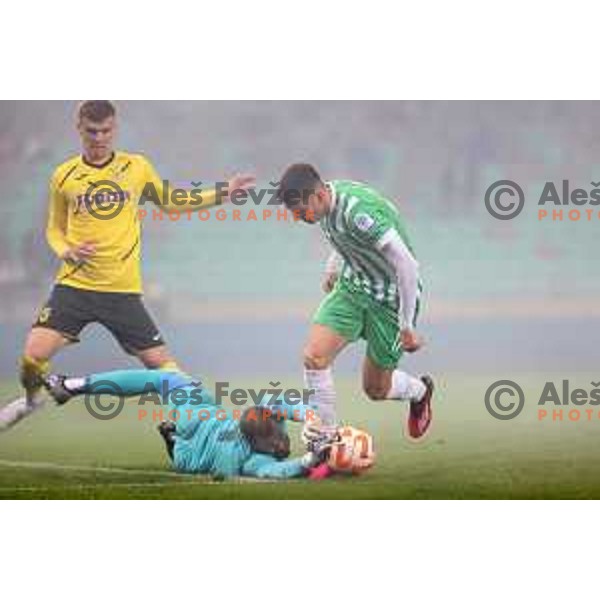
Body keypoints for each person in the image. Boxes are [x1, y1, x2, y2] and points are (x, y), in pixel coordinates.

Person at [18, 100, 255, 416]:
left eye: (106, 130)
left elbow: (171, 202)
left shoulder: (136, 167)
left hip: (121, 291)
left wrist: (222, 192)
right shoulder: (64, 175)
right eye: (92, 131)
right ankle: (32, 400)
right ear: (79, 128)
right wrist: (66, 251)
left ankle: (208, 421)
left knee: (165, 368)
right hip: (74, 286)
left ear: (114, 128)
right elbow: (54, 229)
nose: (99, 138)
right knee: (32, 359)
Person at [276, 163, 434, 445]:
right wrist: (332, 268)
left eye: (300, 211)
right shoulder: (324, 206)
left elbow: (407, 264)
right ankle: (326, 439)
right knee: (314, 356)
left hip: (390, 301)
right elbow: (342, 238)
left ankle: (420, 392)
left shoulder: (357, 212)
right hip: (353, 288)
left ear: (318, 196)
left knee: (375, 389)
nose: (298, 218)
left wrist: (406, 326)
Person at [42, 369, 332, 480]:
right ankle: (172, 438)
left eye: (279, 437)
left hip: (206, 415)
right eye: (275, 442)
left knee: (166, 380)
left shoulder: (266, 418)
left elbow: (282, 401)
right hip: (196, 431)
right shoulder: (251, 459)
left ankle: (72, 385)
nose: (282, 443)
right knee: (185, 456)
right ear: (257, 445)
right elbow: (276, 471)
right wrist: (310, 459)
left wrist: (309, 416)